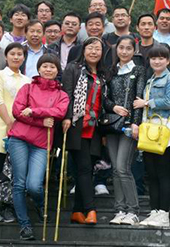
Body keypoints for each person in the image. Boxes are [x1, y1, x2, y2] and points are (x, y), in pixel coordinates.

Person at [7, 53, 70, 240]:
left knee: (34, 185)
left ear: (57, 70)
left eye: (52, 67)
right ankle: (24, 225)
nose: (48, 69)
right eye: (45, 66)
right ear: (39, 68)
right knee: (19, 183)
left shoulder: (61, 94)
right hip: (19, 139)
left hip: (41, 144)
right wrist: (41, 121)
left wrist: (34, 111)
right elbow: (17, 111)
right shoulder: (27, 88)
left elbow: (59, 112)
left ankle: (40, 203)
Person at [0, 43, 30, 224]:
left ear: (23, 58)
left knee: (13, 171)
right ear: (6, 56)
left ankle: (7, 206)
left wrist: (17, 125)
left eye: (19, 54)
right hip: (0, 126)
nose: (16, 57)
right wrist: (9, 123)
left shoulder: (28, 80)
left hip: (21, 129)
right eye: (12, 54)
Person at [61, 37, 108, 225]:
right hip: (77, 124)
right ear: (83, 50)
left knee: (87, 169)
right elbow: (67, 94)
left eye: (98, 49)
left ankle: (77, 211)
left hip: (95, 127)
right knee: (84, 167)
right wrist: (66, 117)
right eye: (90, 48)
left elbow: (104, 101)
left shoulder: (103, 74)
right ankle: (90, 209)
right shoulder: (73, 68)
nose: (94, 52)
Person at [104, 36, 146, 225]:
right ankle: (120, 209)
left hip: (130, 126)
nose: (124, 51)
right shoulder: (111, 71)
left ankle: (133, 210)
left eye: (129, 48)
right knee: (115, 169)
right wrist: (113, 107)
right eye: (121, 48)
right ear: (116, 49)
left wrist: (136, 123)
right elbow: (105, 98)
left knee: (123, 167)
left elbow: (139, 98)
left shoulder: (138, 70)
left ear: (134, 50)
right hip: (112, 124)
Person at [136, 44, 170, 227]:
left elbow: (169, 102)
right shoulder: (150, 79)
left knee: (162, 171)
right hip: (149, 128)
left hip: (163, 128)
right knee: (151, 173)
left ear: (168, 60)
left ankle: (164, 213)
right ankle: (154, 211)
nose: (157, 61)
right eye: (154, 58)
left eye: (161, 58)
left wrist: (147, 102)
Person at [135, 13, 170, 79]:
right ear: (137, 28)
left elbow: (167, 72)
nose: (146, 27)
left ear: (155, 28)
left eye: (150, 24)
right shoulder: (132, 50)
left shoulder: (163, 48)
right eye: (143, 24)